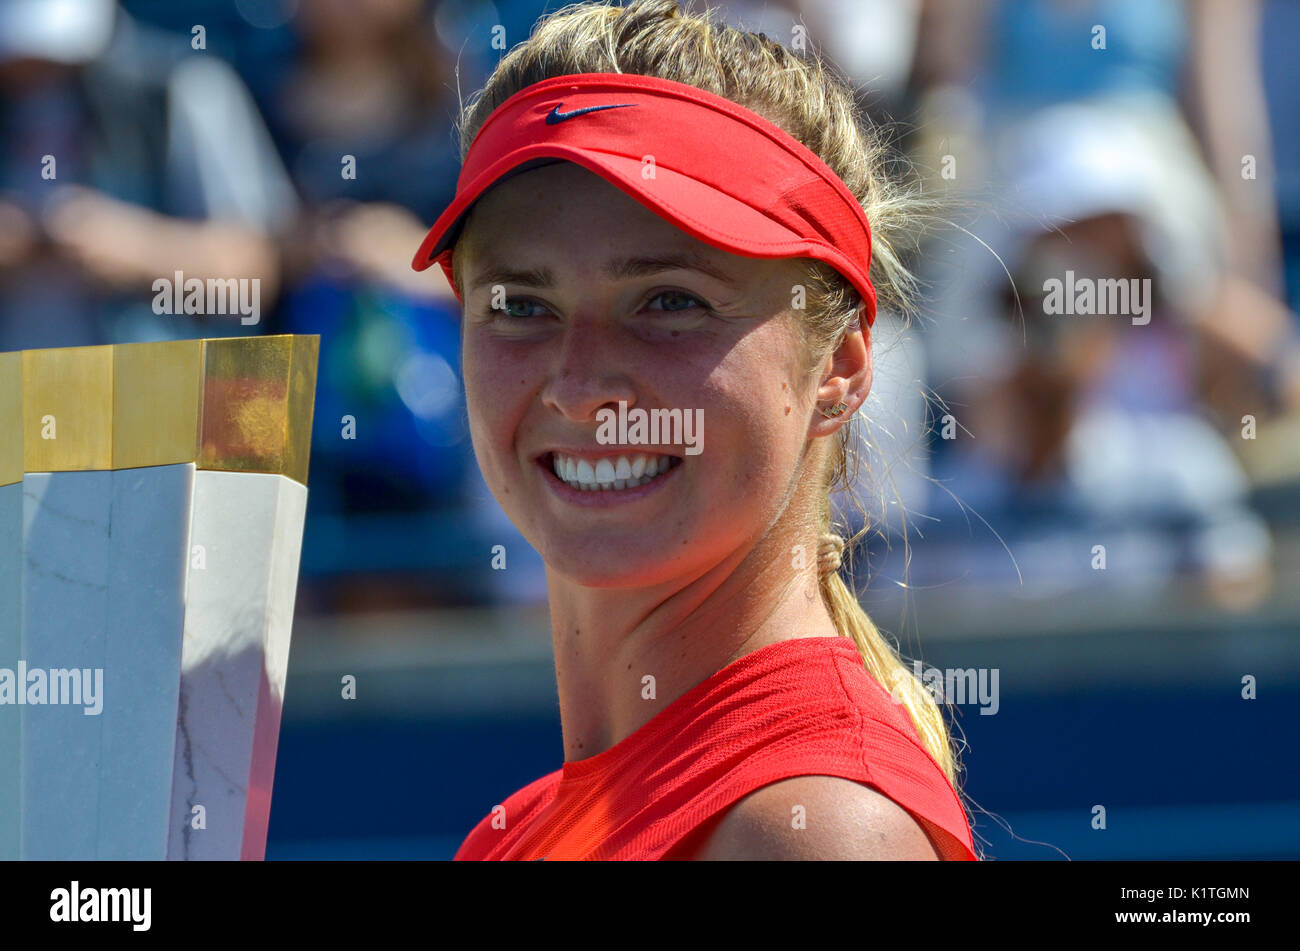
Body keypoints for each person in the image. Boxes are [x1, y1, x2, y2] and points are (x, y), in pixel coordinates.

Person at [411, 0, 977, 860]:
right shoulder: (514, 831)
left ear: (841, 367)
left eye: (670, 302)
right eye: (522, 306)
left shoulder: (812, 831)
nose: (580, 387)